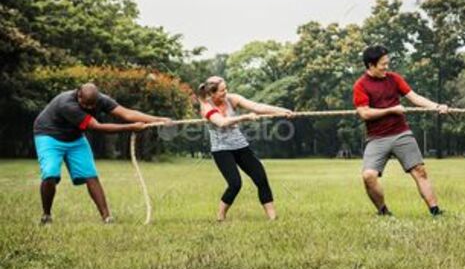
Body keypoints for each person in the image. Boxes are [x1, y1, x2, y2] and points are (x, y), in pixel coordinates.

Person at [33, 82, 170, 224]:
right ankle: (46, 215)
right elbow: (97, 127)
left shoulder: (101, 100)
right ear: (78, 95)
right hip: (49, 135)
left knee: (90, 175)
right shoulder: (67, 104)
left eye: (93, 105)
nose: (90, 108)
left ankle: (107, 218)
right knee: (50, 174)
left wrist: (159, 119)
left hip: (74, 137)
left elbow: (127, 113)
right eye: (86, 105)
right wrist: (131, 127)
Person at [353, 45, 449, 217]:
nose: (386, 67)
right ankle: (383, 212)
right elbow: (365, 113)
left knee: (420, 171)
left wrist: (436, 106)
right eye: (383, 64)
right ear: (370, 65)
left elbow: (415, 97)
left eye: (387, 63)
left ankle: (436, 212)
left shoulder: (394, 79)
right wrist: (391, 110)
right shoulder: (361, 85)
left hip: (400, 133)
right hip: (377, 138)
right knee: (368, 176)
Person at [197, 76, 292, 221]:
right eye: (222, 91)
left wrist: (281, 111)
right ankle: (221, 215)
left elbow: (257, 107)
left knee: (261, 177)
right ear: (212, 93)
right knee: (235, 183)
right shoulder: (206, 106)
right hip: (221, 149)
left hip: (240, 145)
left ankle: (273, 217)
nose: (226, 92)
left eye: (226, 89)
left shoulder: (232, 99)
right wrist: (244, 118)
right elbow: (222, 122)